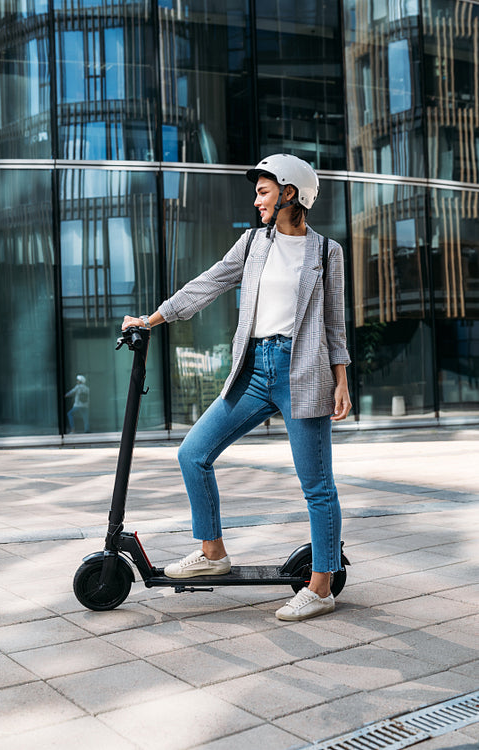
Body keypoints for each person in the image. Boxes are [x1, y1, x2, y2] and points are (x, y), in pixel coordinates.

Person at [123, 153, 352, 621]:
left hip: (302, 371)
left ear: (290, 193)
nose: (257, 200)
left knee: (317, 486)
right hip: (254, 369)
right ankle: (212, 552)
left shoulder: (326, 252)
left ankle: (322, 586)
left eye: (264, 191)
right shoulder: (251, 244)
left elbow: (335, 325)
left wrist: (342, 381)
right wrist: (151, 318)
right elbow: (206, 285)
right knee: (193, 453)